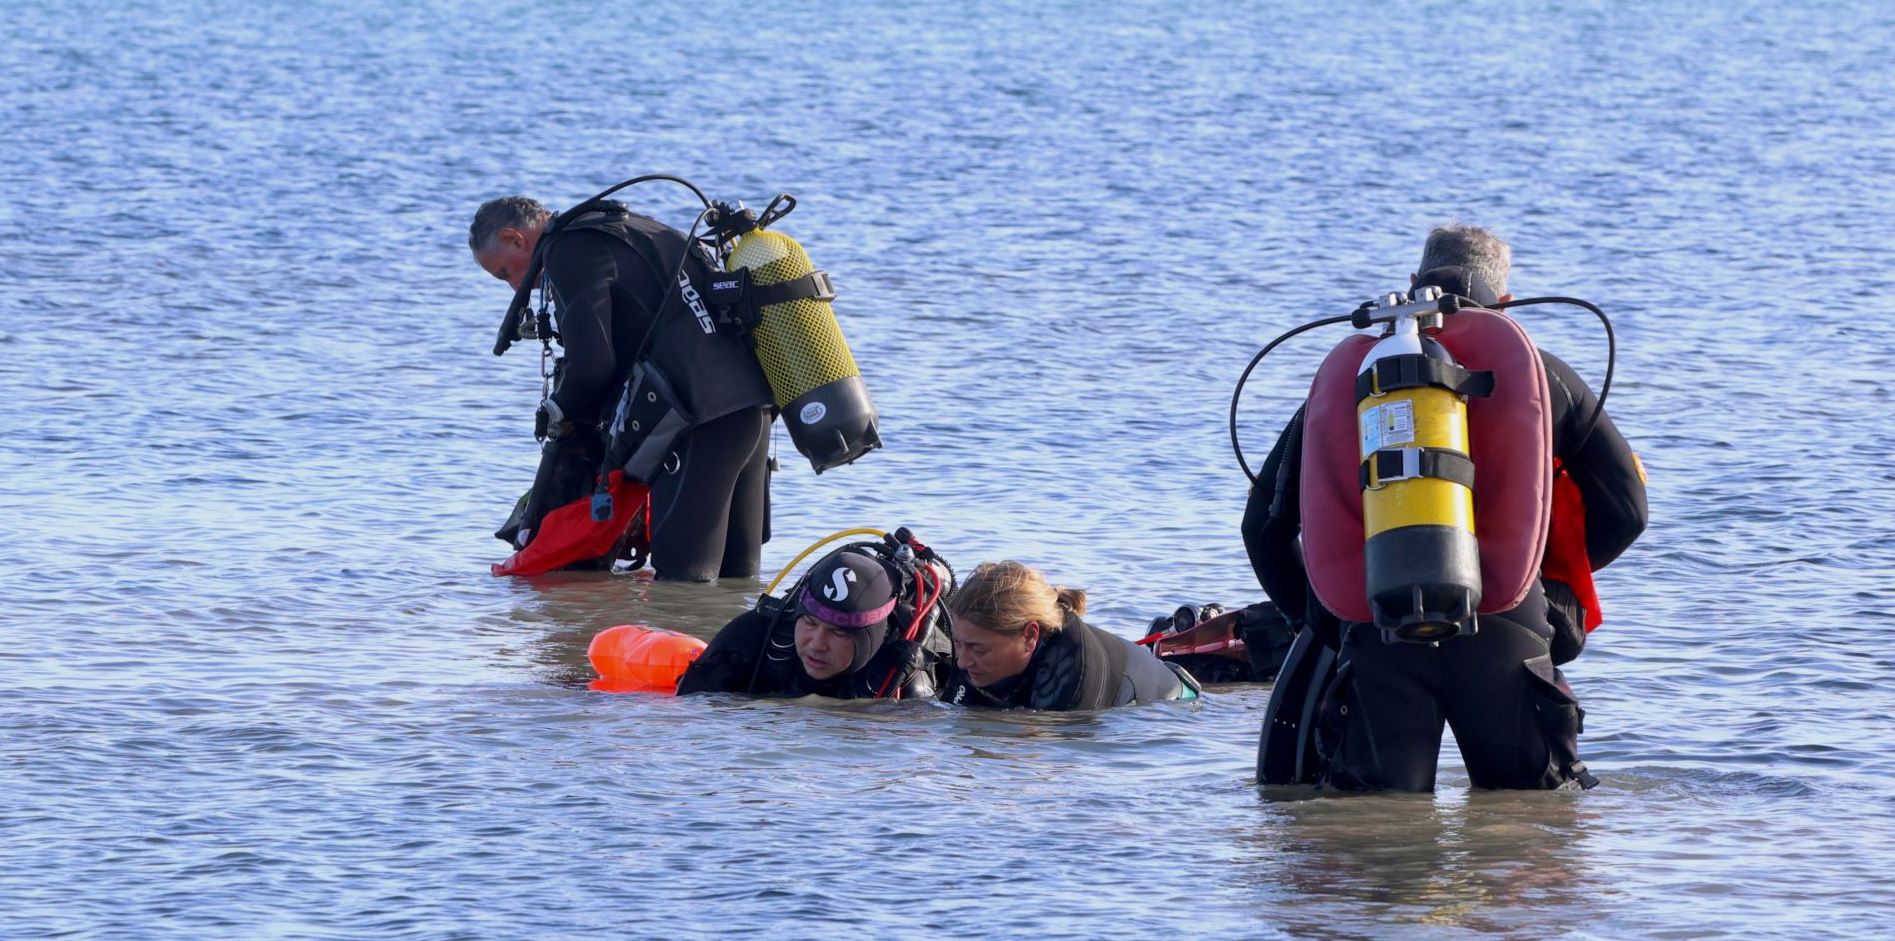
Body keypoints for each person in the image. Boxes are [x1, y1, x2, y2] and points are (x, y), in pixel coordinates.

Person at [1244, 223, 1648, 791]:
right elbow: (1628, 510)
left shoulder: (1359, 378)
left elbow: (1263, 527)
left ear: (1414, 281)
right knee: (1526, 839)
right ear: (1504, 301)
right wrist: (1540, 586)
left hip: (1377, 630)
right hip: (1507, 624)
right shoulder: (1542, 375)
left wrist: (1323, 620)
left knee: (1378, 837)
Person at [470, 195, 775, 582]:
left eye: (504, 273)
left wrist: (558, 413)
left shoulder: (569, 248)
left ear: (515, 239)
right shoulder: (631, 226)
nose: (516, 288)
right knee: (737, 583)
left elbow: (592, 366)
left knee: (683, 586)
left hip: (698, 422)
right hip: (755, 408)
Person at [678, 540, 954, 699]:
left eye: (839, 633)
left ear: (870, 636)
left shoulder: (904, 674)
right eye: (809, 623)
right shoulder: (756, 636)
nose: (816, 644)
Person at [944, 561, 1200, 709]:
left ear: (1030, 636)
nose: (962, 661)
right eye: (959, 644)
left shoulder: (1073, 675)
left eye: (979, 650)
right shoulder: (973, 648)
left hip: (1178, 707)